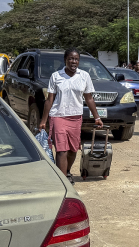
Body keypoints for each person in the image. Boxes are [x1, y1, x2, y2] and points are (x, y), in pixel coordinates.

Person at [39, 47, 103, 185]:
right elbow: (49, 100)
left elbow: (89, 98)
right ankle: (63, 181)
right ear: (65, 60)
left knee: (73, 149)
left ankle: (67, 171)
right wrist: (43, 120)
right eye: (71, 59)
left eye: (76, 59)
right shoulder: (56, 76)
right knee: (62, 149)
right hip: (58, 116)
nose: (73, 61)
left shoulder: (84, 76)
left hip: (75, 117)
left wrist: (97, 117)